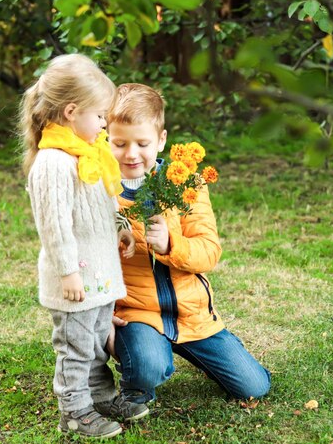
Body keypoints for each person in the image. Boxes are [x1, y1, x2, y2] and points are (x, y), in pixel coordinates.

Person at [106, 83, 271, 410]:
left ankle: (187, 353)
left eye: (142, 143)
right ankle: (138, 381)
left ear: (162, 140)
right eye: (120, 143)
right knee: (150, 366)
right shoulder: (100, 191)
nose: (131, 154)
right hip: (138, 312)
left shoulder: (187, 185)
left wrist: (171, 244)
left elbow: (209, 251)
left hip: (192, 314)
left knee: (254, 387)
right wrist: (99, 315)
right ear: (105, 138)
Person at [18, 55, 148, 439]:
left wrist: (120, 227)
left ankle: (100, 394)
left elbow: (102, 200)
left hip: (101, 270)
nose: (105, 125)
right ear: (72, 112)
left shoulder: (88, 152)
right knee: (75, 345)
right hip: (76, 276)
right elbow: (54, 226)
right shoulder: (53, 163)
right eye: (101, 117)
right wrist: (67, 271)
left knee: (95, 340)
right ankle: (74, 410)